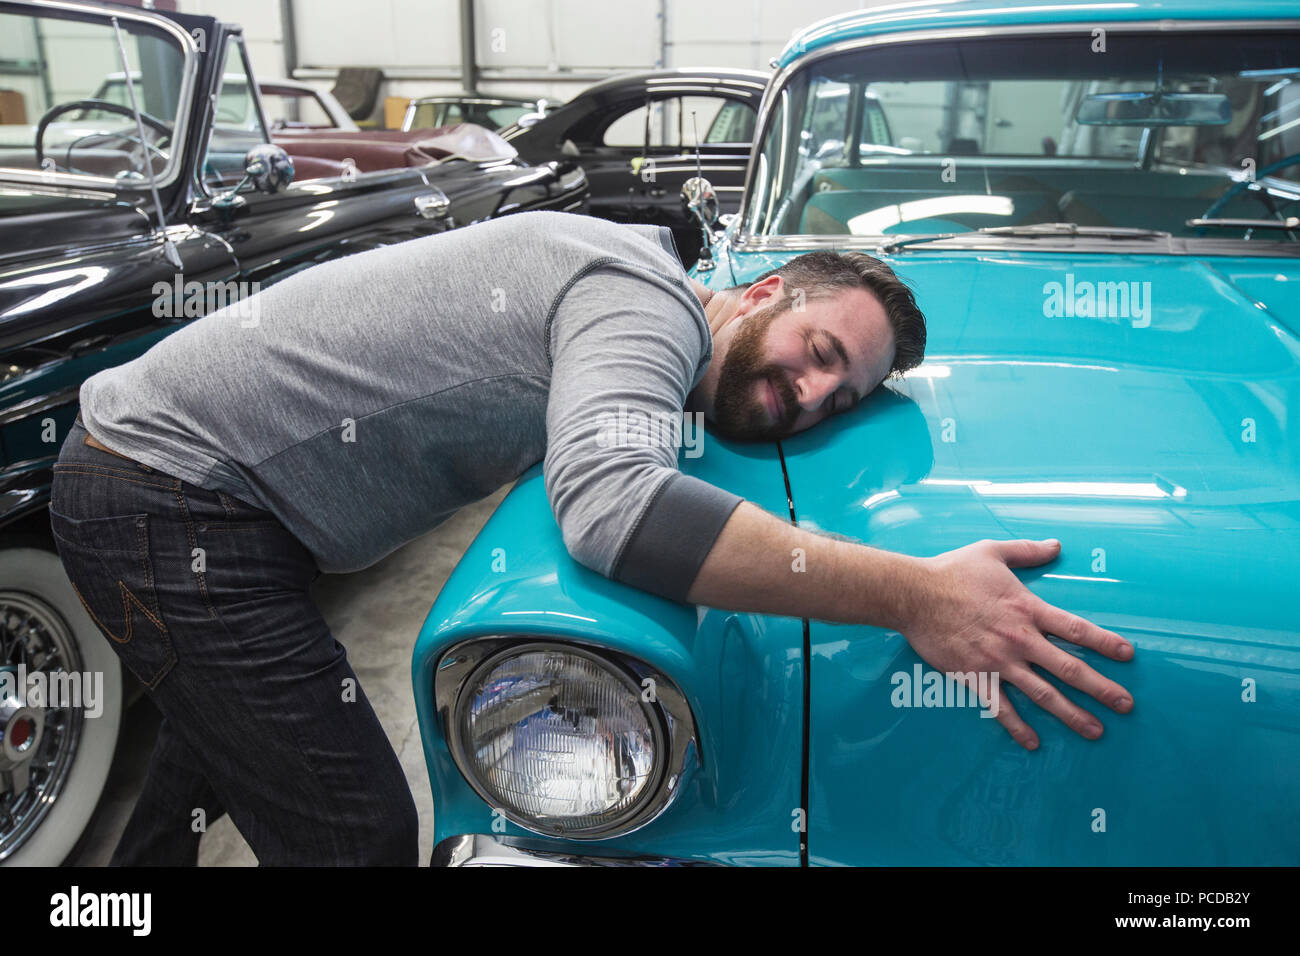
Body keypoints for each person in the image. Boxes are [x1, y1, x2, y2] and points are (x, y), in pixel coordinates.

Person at [48, 210, 1134, 866]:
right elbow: (613, 505)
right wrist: (915, 594)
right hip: (166, 492)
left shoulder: (626, 276)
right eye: (812, 348)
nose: (806, 393)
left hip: (199, 488)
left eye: (834, 395)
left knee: (216, 762)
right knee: (355, 832)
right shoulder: (641, 300)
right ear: (756, 291)